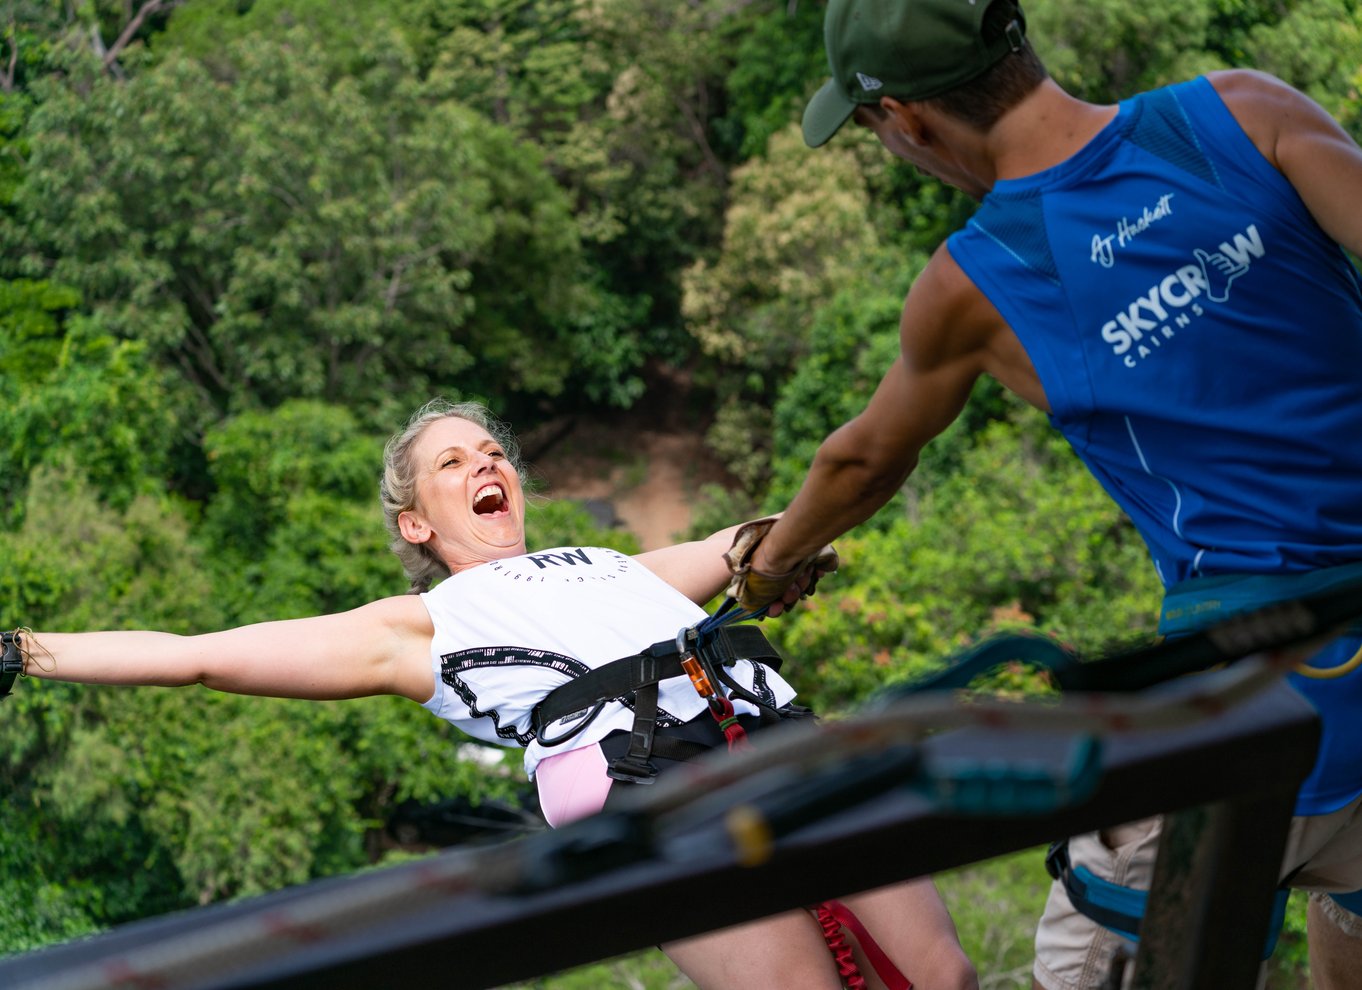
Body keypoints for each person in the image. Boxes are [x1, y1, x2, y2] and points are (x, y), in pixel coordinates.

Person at [722, 0, 1362, 988]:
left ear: (906, 118)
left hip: (1271, 682)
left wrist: (766, 571)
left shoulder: (979, 282)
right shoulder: (1247, 111)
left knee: (1082, 955)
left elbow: (863, 462)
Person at [5, 397, 979, 990]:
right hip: (650, 798)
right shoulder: (419, 628)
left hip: (770, 736)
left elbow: (742, 546)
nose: (485, 466)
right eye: (453, 463)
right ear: (417, 521)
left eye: (493, 454)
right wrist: (22, 650)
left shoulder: (612, 565)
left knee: (945, 975)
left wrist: (785, 549)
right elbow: (199, 654)